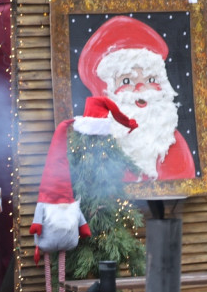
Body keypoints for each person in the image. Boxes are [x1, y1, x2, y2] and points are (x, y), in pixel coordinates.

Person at [77, 16, 196, 181]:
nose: (141, 89)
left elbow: (185, 181)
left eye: (151, 80)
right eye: (127, 81)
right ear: (108, 90)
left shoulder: (171, 142)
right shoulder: (99, 146)